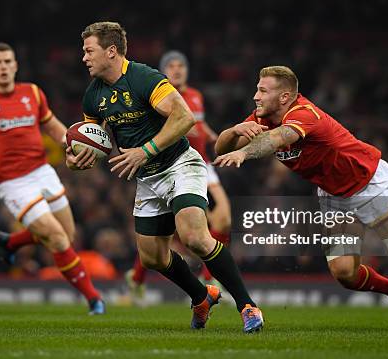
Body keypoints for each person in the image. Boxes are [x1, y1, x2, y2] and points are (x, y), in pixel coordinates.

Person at [68, 21, 263, 332]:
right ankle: (202, 297)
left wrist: (144, 150)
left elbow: (184, 117)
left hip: (180, 164)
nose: (84, 58)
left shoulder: (144, 78)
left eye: (89, 51)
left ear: (111, 51)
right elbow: (96, 139)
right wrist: (79, 158)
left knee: (195, 237)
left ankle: (247, 306)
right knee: (152, 259)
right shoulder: (93, 95)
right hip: (147, 178)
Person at [214, 65, 388, 329]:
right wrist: (236, 131)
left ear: (284, 97)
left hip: (371, 183)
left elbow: (277, 138)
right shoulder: (262, 117)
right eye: (257, 89)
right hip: (335, 196)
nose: (256, 96)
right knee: (345, 274)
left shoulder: (304, 114)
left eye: (263, 90)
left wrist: (244, 153)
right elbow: (221, 147)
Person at [0, 42, 105, 315]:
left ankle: (12, 242)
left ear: (15, 65)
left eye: (7, 61)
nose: (3, 67)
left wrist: (74, 145)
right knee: (56, 238)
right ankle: (94, 298)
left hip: (43, 171)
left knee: (68, 235)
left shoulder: (32, 92)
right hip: (12, 181)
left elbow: (52, 126)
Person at [125, 51, 232, 302]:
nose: (177, 70)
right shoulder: (159, 98)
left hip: (202, 163)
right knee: (166, 234)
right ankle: (138, 276)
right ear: (163, 71)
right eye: (171, 66)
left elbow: (198, 124)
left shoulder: (196, 96)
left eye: (181, 65)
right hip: (172, 165)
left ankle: (210, 279)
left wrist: (214, 135)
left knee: (223, 220)